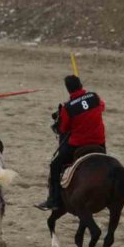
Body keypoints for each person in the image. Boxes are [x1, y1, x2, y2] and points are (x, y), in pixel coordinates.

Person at [35, 75, 106, 211]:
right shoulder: (94, 97)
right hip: (100, 142)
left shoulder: (68, 107)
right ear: (81, 84)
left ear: (68, 89)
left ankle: (53, 200)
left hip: (78, 145)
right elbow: (102, 107)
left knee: (55, 166)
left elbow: (63, 129)